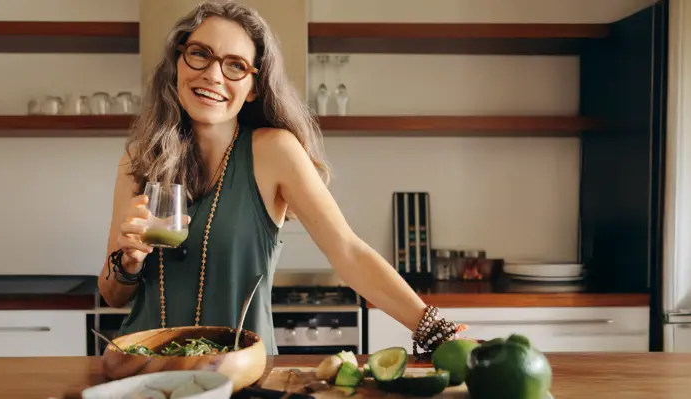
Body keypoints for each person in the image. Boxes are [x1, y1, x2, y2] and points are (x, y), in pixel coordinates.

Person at [97, 2, 464, 356]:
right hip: (143, 370)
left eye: (235, 65)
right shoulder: (139, 159)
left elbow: (348, 252)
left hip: (241, 374)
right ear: (178, 61)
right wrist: (128, 262)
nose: (213, 74)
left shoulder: (275, 153)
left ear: (253, 86)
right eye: (200, 54)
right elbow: (113, 295)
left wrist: (434, 329)